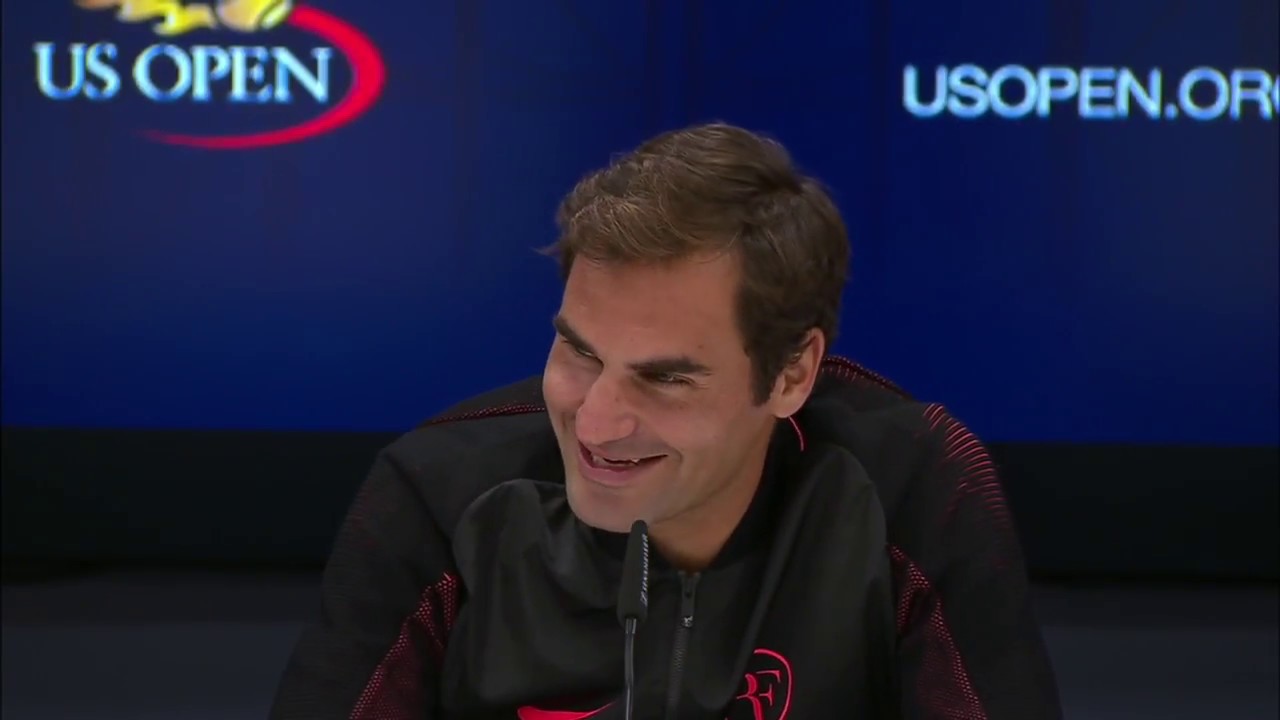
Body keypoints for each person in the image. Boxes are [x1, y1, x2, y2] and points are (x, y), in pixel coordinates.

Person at [269, 122, 1063, 719]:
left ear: (792, 375)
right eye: (580, 352)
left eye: (665, 378)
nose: (596, 423)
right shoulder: (438, 494)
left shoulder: (911, 487)